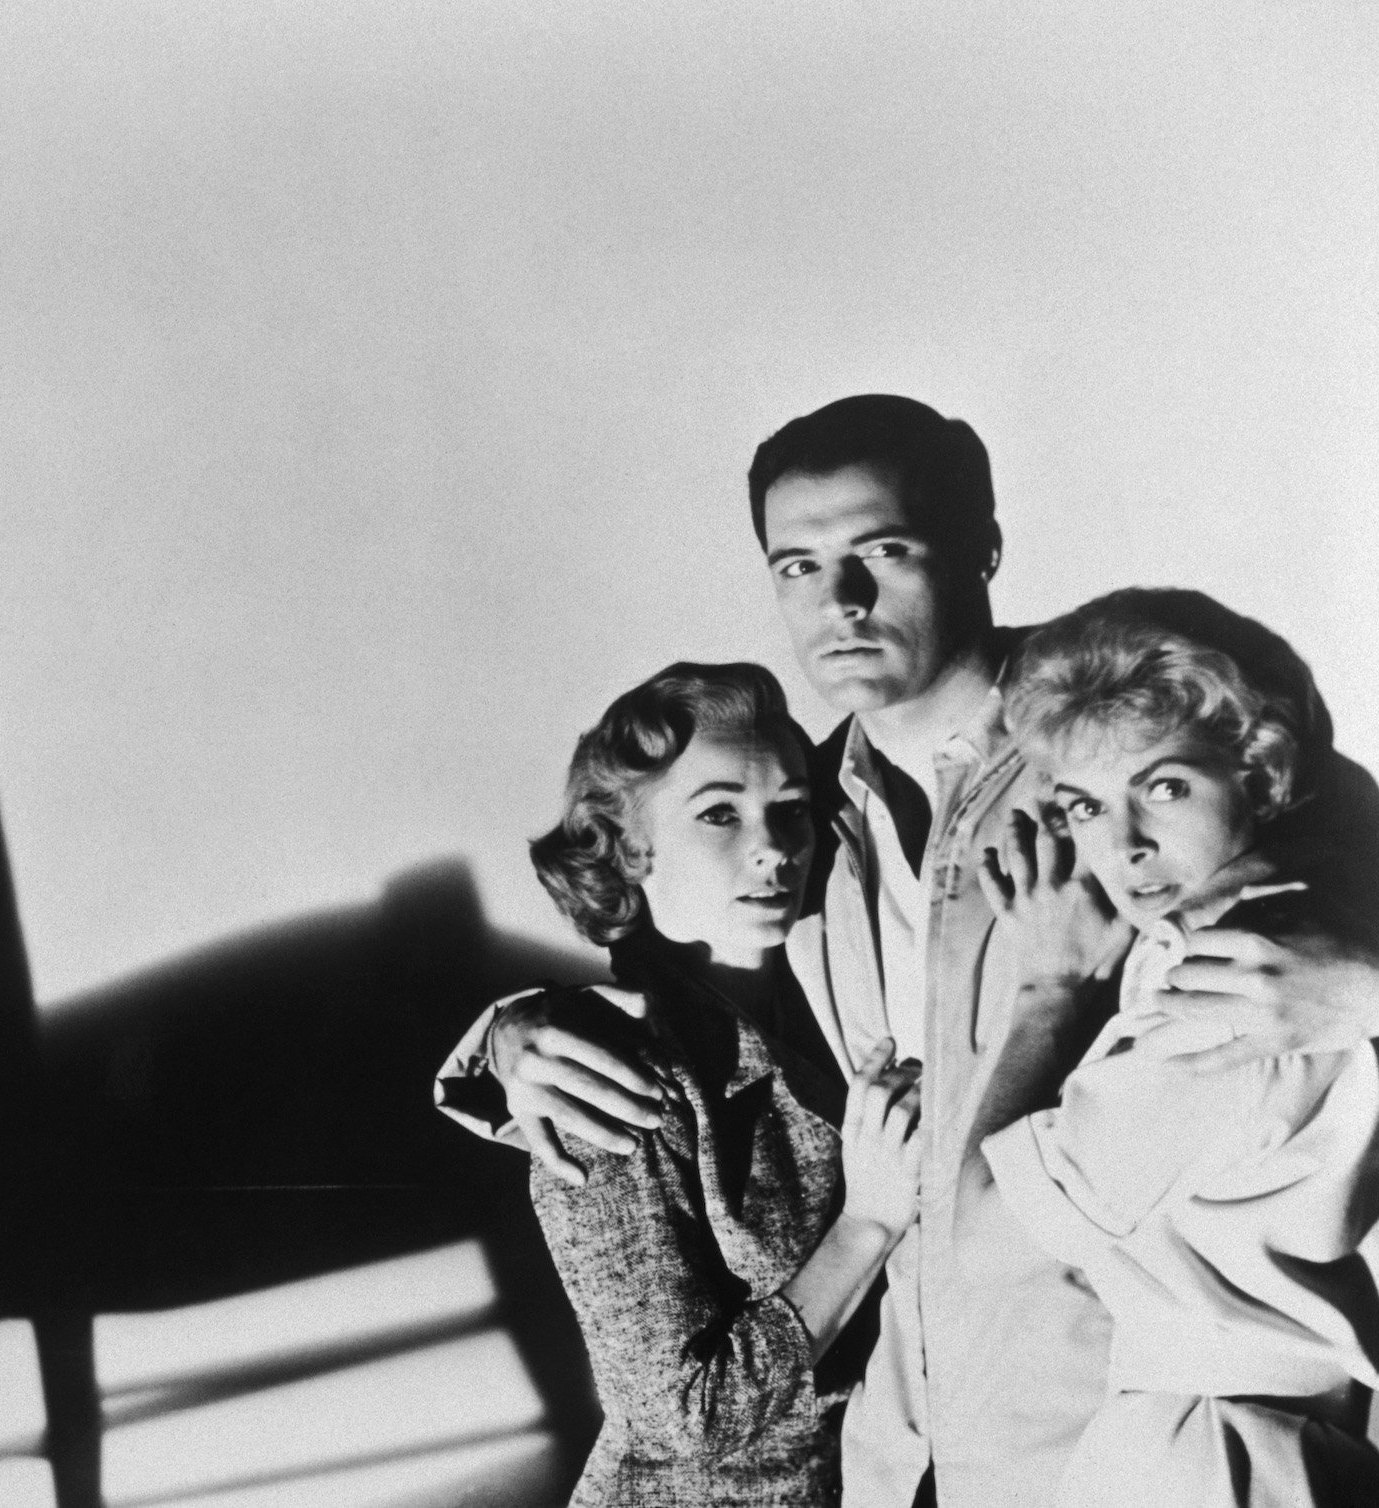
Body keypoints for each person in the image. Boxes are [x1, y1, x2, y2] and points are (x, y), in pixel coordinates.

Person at [435, 395, 1379, 1508]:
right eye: (798, 566)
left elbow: (1329, 876)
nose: (840, 601)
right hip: (893, 1456)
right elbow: (695, 990)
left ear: (982, 547)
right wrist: (509, 1032)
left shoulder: (1128, 736)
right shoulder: (800, 821)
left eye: (883, 550)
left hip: (1122, 1441)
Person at [957, 588, 1379, 1506]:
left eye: (1164, 788)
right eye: (1084, 808)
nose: (1125, 847)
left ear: (1259, 774)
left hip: (1212, 1453)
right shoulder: (1322, 925)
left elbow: (980, 1239)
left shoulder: (1229, 991)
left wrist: (1047, 992)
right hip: (1283, 1445)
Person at [523, 662, 922, 1505]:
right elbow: (686, 1417)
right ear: (632, 849)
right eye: (719, 814)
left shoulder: (845, 1003)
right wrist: (869, 1225)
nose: (773, 846)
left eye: (791, 809)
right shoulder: (601, 1077)